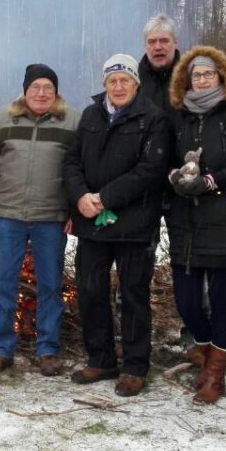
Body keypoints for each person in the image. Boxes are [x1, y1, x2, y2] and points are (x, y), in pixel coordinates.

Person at [63, 54, 171, 397]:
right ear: (104, 84)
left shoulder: (153, 117)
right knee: (91, 290)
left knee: (133, 294)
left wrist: (104, 197)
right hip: (92, 222)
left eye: (125, 80)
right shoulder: (91, 115)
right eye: (112, 81)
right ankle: (101, 359)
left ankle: (135, 366)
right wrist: (80, 196)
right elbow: (71, 161)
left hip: (134, 223)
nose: (119, 86)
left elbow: (150, 170)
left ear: (136, 83)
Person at [164, 46, 226, 405]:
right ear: (186, 80)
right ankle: (206, 353)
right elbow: (165, 159)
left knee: (220, 299)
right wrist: (175, 177)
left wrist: (211, 181)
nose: (203, 80)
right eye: (196, 75)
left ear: (221, 76)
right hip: (186, 223)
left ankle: (215, 374)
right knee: (187, 301)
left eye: (208, 74)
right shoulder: (179, 117)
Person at [0, 64, 78, 377]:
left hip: (51, 217)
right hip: (8, 215)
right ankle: (1, 349)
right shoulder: (2, 119)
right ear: (25, 90)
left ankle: (48, 350)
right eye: (36, 87)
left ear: (56, 92)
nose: (42, 94)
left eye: (48, 88)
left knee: (50, 285)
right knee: (4, 283)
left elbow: (81, 169)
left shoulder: (73, 122)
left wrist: (74, 211)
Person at [137, 14, 181, 114]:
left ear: (175, 42)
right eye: (152, 42)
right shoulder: (133, 80)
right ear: (145, 45)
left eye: (164, 41)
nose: (158, 47)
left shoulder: (191, 77)